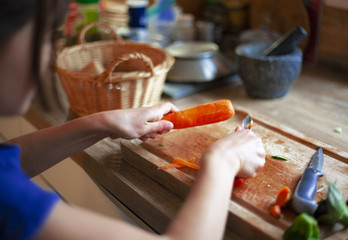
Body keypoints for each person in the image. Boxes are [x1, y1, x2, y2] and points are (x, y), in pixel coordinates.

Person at [0, 1, 266, 239]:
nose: (48, 56)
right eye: (44, 36)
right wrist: (223, 160)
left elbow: (7, 159)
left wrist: (102, 122)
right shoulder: (9, 200)